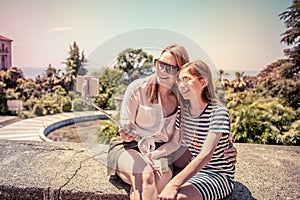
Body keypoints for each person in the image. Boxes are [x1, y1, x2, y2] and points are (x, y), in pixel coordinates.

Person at [107, 44, 236, 200]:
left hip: (161, 152)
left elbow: (206, 134)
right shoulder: (137, 88)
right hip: (130, 147)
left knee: (158, 182)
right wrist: (126, 133)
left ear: (178, 72)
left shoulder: (184, 100)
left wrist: (228, 146)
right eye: (160, 64)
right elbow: (126, 126)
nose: (162, 70)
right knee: (146, 176)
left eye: (169, 68)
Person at [158, 60, 235, 200]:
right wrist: (151, 156)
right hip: (195, 172)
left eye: (187, 79)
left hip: (218, 175)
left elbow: (205, 155)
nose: (181, 85)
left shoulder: (218, 113)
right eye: (180, 80)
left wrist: (173, 184)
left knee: (179, 197)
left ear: (204, 82)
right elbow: (175, 143)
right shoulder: (183, 112)